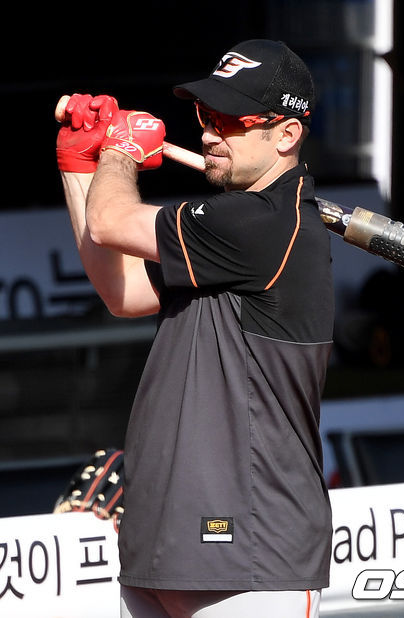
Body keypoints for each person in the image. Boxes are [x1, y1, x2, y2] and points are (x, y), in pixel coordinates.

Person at [56, 39, 335, 618]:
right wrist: (80, 166)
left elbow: (109, 221)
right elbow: (122, 291)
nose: (208, 134)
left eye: (229, 120)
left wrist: (119, 151)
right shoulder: (231, 229)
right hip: (165, 547)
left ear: (286, 134)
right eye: (205, 116)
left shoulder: (263, 222)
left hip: (249, 556)